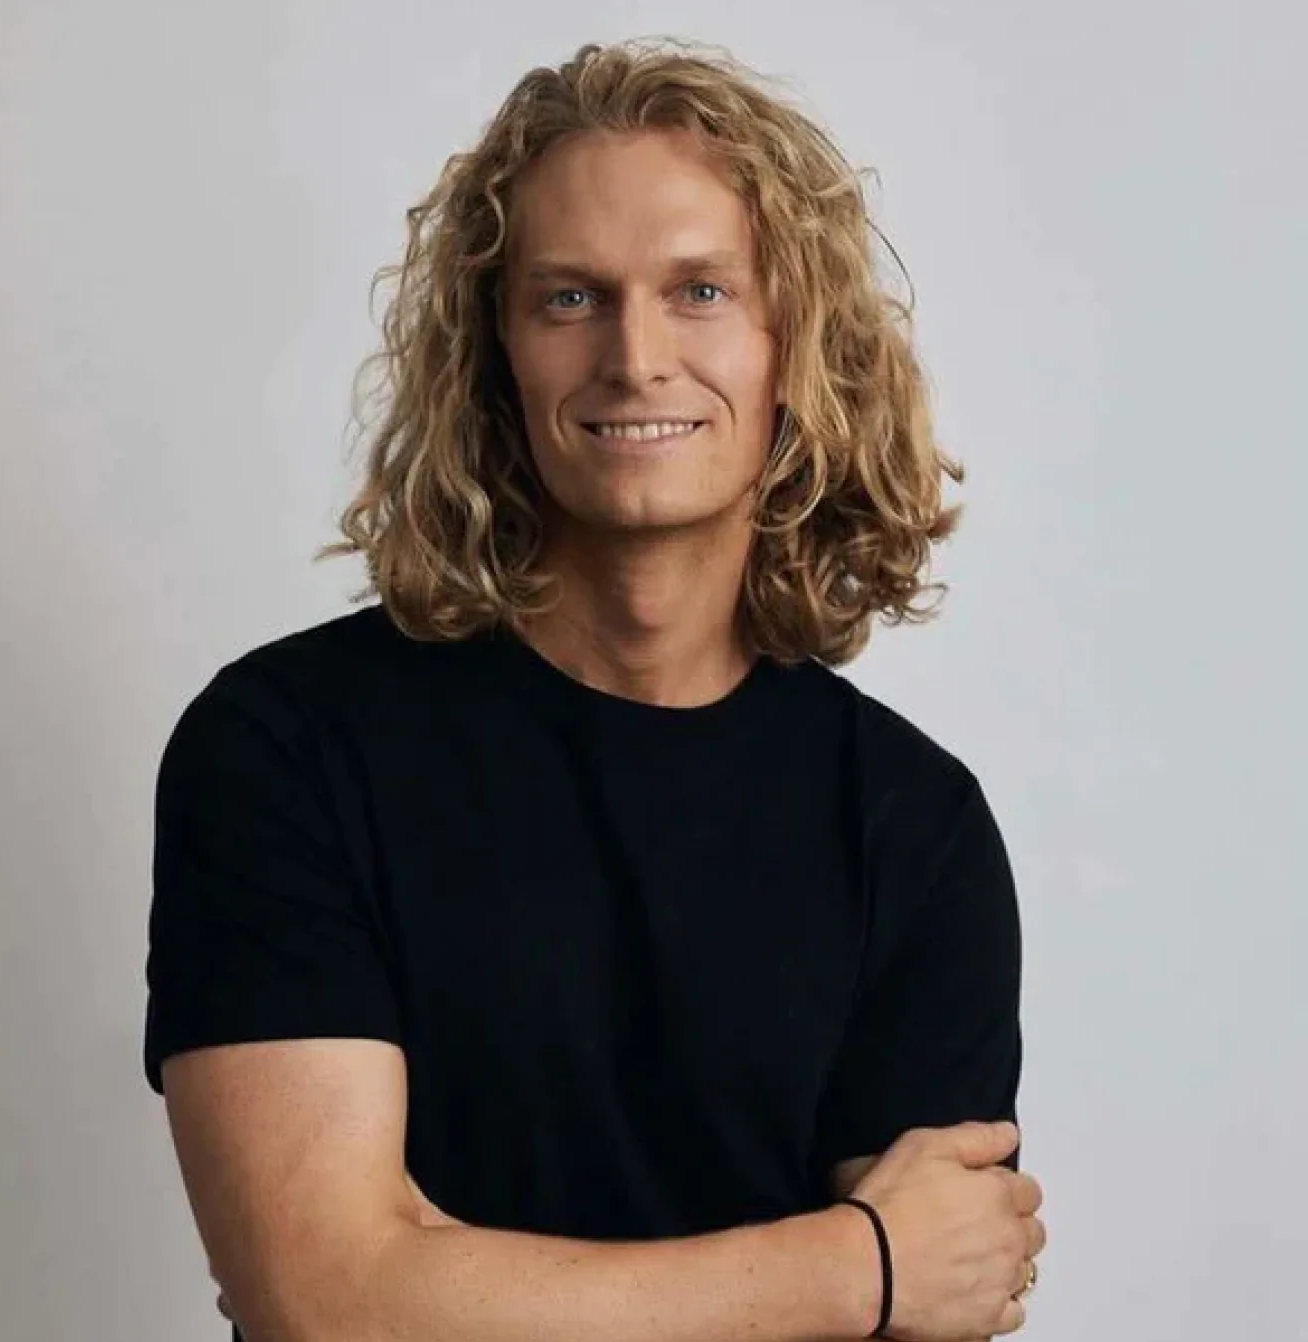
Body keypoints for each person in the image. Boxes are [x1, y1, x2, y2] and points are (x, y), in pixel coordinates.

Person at [142, 36, 1046, 1342]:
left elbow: (945, 1294)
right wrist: (855, 1268)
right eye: (570, 297)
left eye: (700, 290)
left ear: (794, 348)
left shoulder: (914, 823)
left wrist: (446, 1280)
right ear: (496, 354)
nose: (635, 356)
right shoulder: (284, 747)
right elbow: (330, 1303)